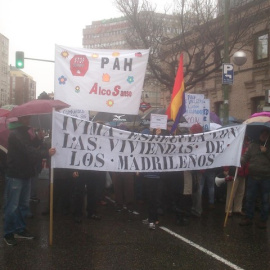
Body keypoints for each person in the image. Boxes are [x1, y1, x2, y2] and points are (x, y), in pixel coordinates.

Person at [3, 115, 56, 246]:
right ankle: (8, 233)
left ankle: (20, 230)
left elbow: (30, 146)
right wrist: (46, 153)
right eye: (27, 118)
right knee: (12, 206)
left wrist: (38, 139)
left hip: (25, 173)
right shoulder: (16, 134)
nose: (29, 120)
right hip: (16, 175)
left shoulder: (24, 133)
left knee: (23, 205)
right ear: (20, 119)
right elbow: (28, 150)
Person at [239, 129, 270, 229]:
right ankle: (249, 217)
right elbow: (246, 157)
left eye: (266, 134)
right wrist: (239, 160)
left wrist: (266, 152)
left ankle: (263, 220)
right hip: (252, 176)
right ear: (259, 134)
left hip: (266, 178)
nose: (264, 135)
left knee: (265, 200)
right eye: (262, 133)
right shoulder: (252, 145)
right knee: (250, 198)